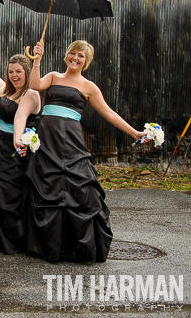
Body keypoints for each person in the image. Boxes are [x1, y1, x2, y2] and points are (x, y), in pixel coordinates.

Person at [22, 40, 146, 262]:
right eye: (72, 53)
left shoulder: (89, 87)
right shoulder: (53, 77)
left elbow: (109, 114)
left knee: (79, 187)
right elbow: (34, 85)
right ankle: (46, 245)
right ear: (67, 55)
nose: (75, 58)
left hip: (71, 142)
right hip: (47, 141)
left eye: (81, 56)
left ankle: (79, 246)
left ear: (86, 61)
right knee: (46, 187)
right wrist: (37, 60)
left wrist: (134, 133)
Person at [0, 54, 40, 254]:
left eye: (18, 71)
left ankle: (6, 239)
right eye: (11, 72)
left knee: (6, 192)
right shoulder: (8, 91)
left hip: (13, 150)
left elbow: (20, 116)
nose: (14, 76)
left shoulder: (31, 94)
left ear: (27, 72)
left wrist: (17, 141)